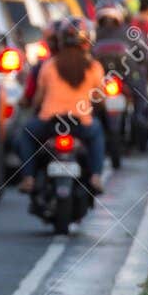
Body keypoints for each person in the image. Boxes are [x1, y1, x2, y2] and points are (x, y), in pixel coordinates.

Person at [19, 17, 107, 195]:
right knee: (98, 133)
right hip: (81, 124)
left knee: (25, 135)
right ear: (87, 41)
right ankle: (96, 177)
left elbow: (38, 98)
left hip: (49, 123)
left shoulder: (49, 65)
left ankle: (28, 178)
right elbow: (100, 97)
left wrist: (34, 107)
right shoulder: (94, 67)